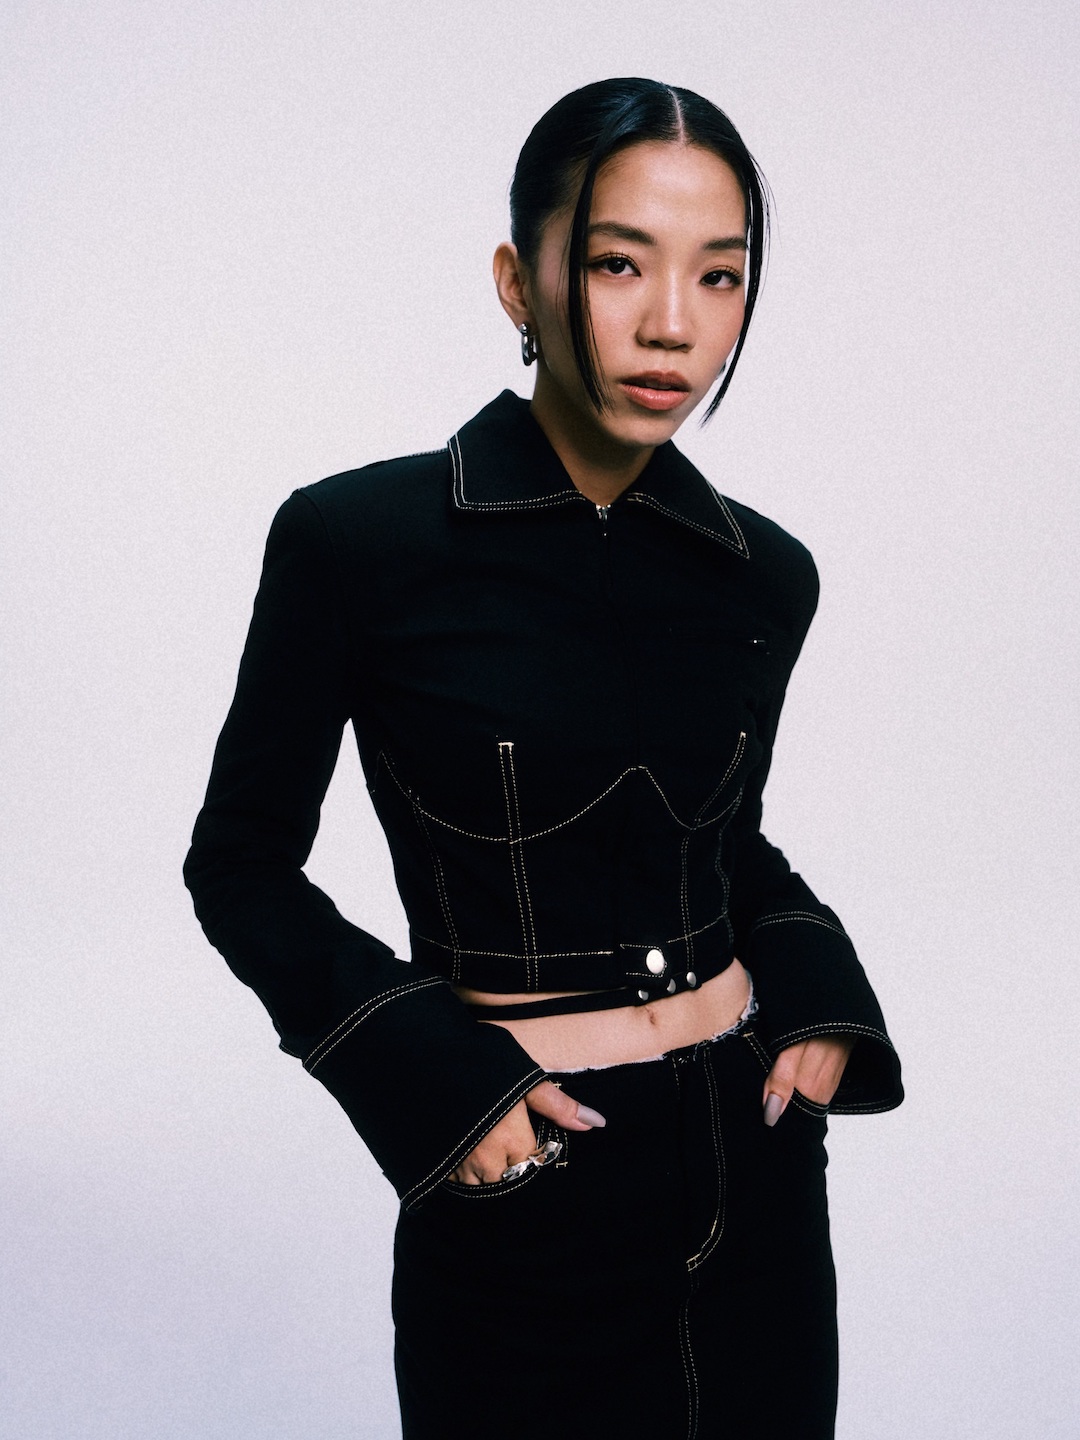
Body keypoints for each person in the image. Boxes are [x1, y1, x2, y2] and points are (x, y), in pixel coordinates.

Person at [184, 77, 903, 1440]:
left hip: (754, 1166)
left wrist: (817, 995)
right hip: (528, 1180)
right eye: (621, 262)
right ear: (520, 281)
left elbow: (722, 841)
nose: (674, 322)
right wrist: (440, 1090)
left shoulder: (766, 576)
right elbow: (240, 867)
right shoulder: (357, 546)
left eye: (720, 275)